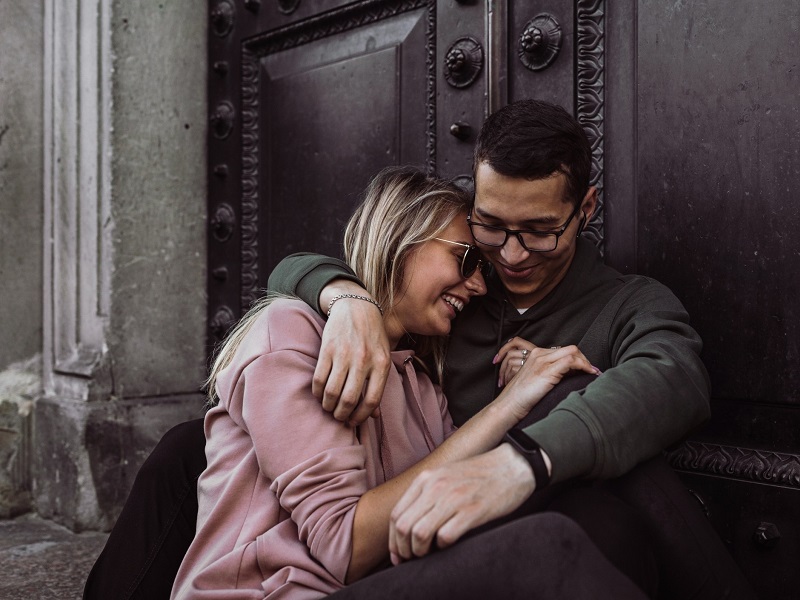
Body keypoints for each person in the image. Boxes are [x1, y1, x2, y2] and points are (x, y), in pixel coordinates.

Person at [267, 100, 756, 599]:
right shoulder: (453, 296)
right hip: (431, 549)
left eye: (541, 231)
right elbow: (300, 272)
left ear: (584, 209)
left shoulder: (628, 302)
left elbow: (675, 378)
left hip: (574, 545)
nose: (512, 254)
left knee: (584, 438)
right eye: (491, 226)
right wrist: (350, 301)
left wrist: (525, 461)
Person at [167, 166, 646, 599]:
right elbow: (343, 545)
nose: (479, 285)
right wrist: (510, 405)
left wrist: (533, 392)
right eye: (466, 260)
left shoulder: (420, 383)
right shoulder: (291, 331)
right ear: (402, 238)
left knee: (602, 521)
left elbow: (435, 513)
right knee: (549, 544)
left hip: (376, 584)